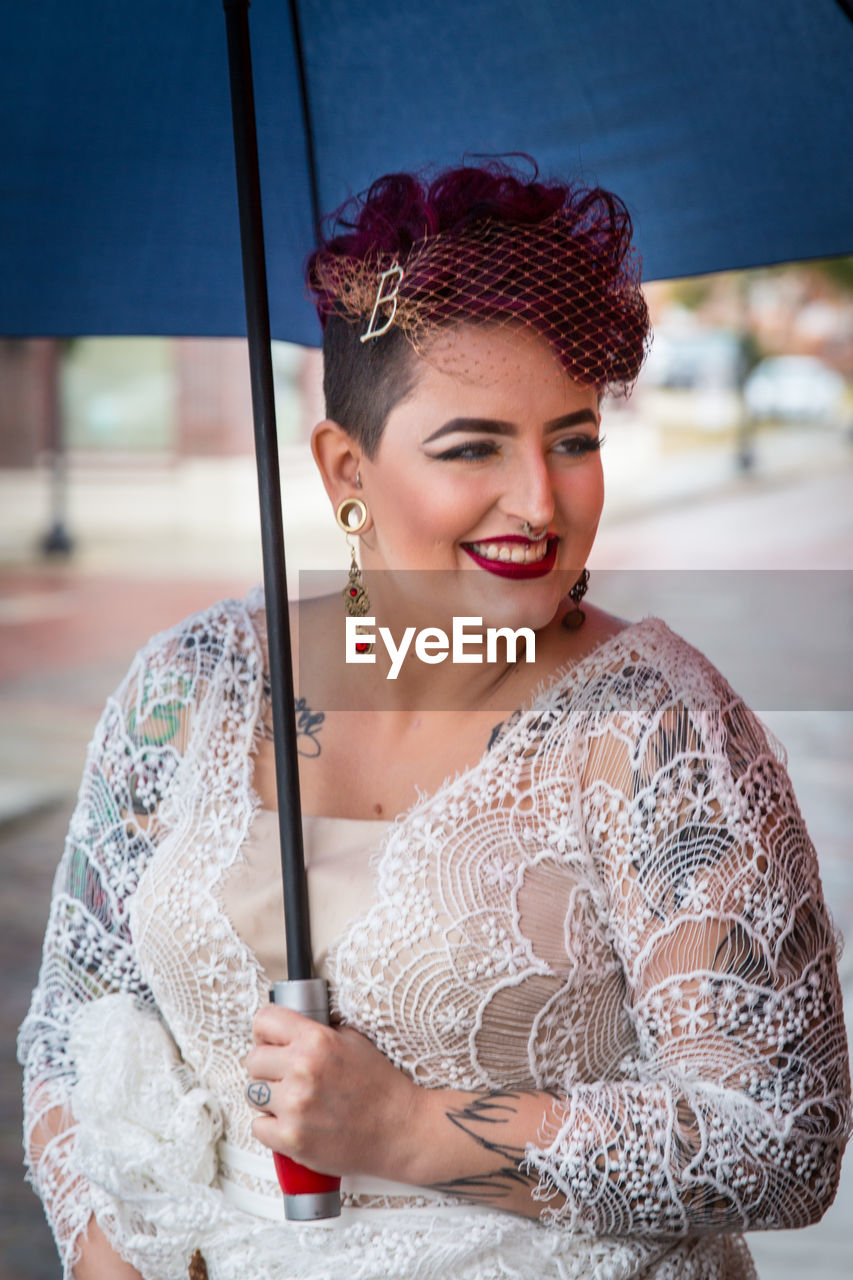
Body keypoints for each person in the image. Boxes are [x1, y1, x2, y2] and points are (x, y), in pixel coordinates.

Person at [19, 161, 851, 1280]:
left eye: (571, 437)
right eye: (474, 448)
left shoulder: (657, 727)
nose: (541, 501)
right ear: (345, 470)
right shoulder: (190, 686)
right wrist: (102, 1248)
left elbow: (782, 1136)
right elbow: (71, 1029)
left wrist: (412, 1127)